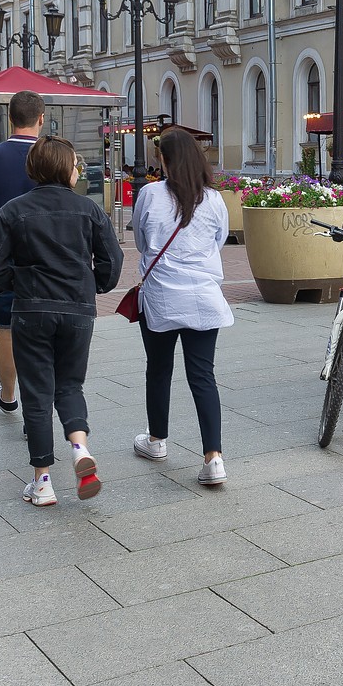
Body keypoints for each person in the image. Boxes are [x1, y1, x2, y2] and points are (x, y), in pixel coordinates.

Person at [0, 136, 123, 506]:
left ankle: (42, 481)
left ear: (34, 169)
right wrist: (95, 284)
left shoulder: (13, 211)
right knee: (70, 385)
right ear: (67, 170)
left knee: (38, 393)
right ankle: (79, 448)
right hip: (77, 309)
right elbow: (112, 261)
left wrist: (16, 283)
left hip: (30, 309)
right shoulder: (90, 211)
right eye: (76, 164)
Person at [130, 128, 234, 486]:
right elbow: (219, 242)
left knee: (158, 370)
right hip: (204, 297)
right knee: (203, 375)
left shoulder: (148, 194)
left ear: (164, 160)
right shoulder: (215, 200)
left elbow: (142, 242)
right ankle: (214, 458)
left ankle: (157, 439)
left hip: (160, 297)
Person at [0, 90, 45, 414]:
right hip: (44, 257)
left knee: (4, 330)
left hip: (0, 256)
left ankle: (7, 395)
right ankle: (37, 408)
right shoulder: (51, 156)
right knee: (41, 333)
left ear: (10, 118)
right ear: (41, 119)